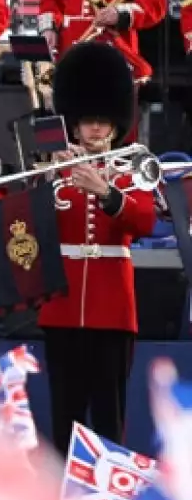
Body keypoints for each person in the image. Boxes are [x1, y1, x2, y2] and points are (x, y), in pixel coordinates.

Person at [40, 42, 155, 456]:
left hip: (112, 312)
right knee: (64, 419)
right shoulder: (53, 174)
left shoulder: (131, 171)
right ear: (73, 125)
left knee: (110, 420)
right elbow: (27, 234)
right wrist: (47, 178)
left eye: (102, 122)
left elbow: (144, 221)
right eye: (87, 121)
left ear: (115, 124)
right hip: (64, 307)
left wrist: (106, 191)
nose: (94, 129)